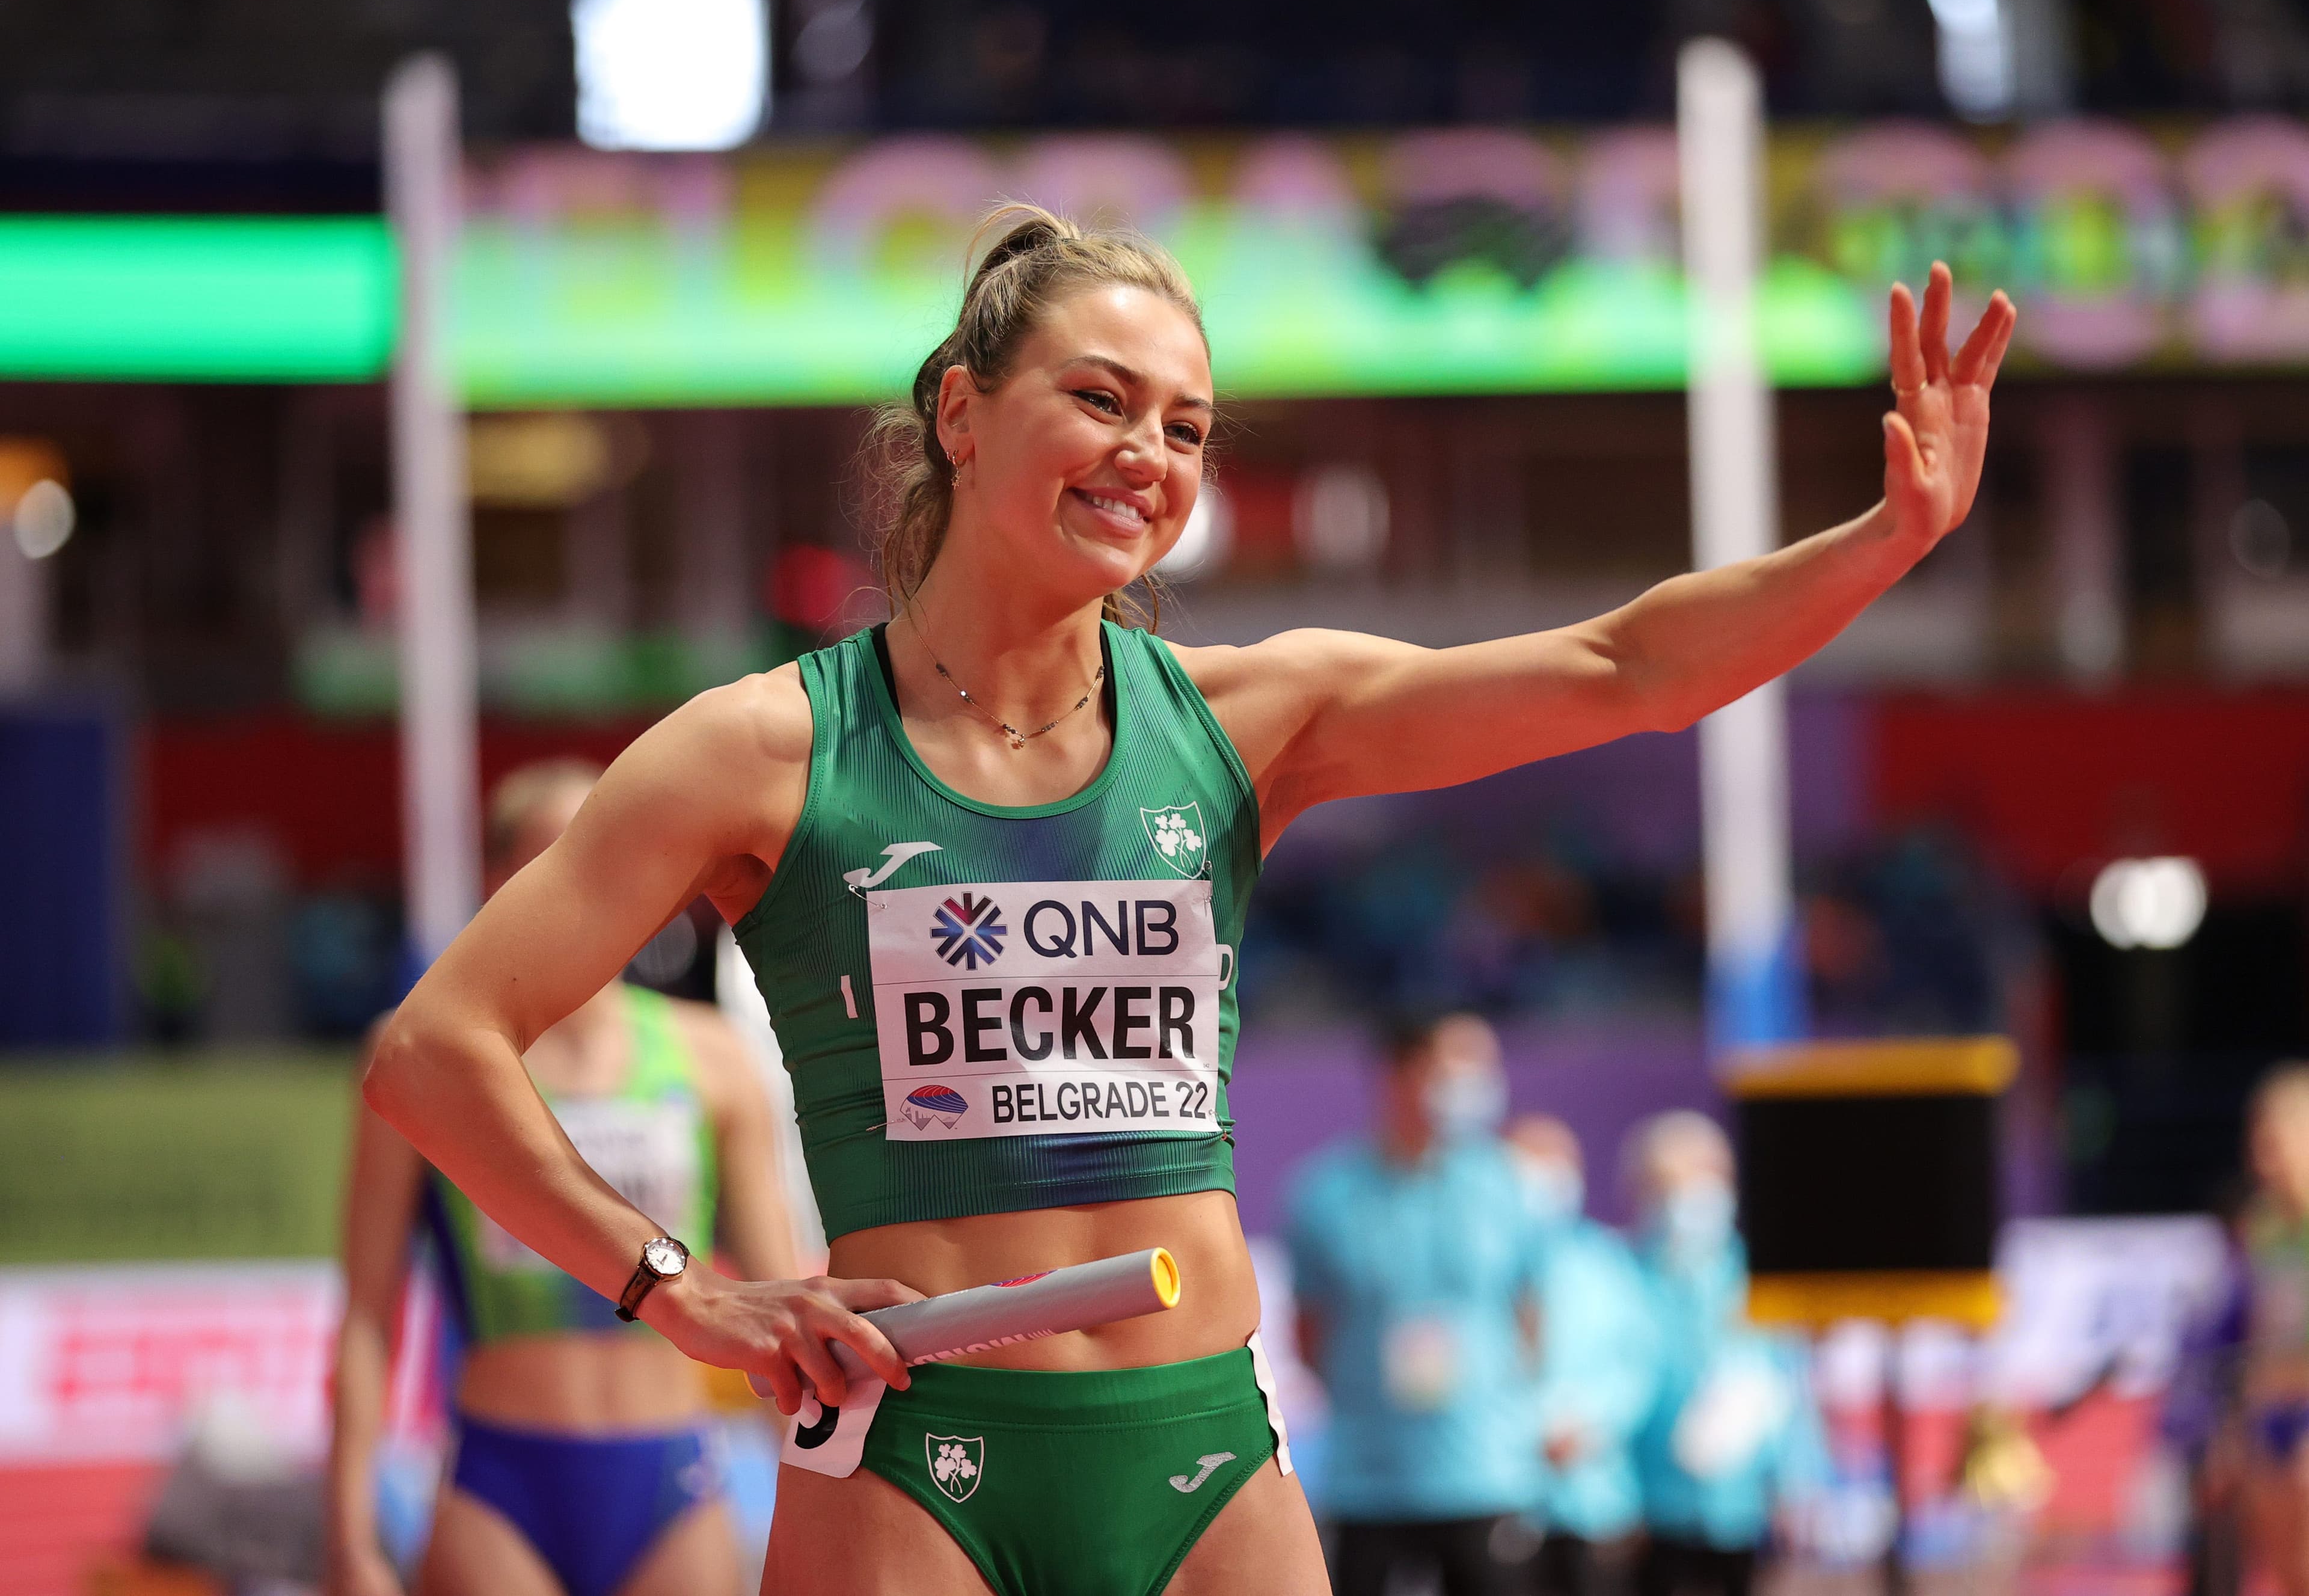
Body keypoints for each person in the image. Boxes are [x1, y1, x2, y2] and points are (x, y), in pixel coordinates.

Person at [358, 200, 2011, 1596]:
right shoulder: (766, 750)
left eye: (1188, 425)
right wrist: (684, 1286)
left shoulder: (1247, 721)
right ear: (959, 410)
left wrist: (1890, 533)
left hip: (1203, 1454)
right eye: (1100, 398)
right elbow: (434, 1049)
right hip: (914, 1470)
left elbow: (1625, 666)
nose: (1148, 452)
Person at [327, 760, 800, 1596]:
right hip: (501, 1480)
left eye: (611, 855)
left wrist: (822, 1504)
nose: (590, 886)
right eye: (555, 859)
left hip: (671, 1475)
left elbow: (776, 1298)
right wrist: (348, 1532)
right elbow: (367, 1315)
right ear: (498, 880)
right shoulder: (422, 1062)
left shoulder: (714, 1060)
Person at [1285, 1014, 1544, 1595]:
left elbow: (1530, 1314)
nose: (1473, 1082)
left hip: (1485, 1472)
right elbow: (1308, 1331)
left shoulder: (1507, 1184)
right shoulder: (1325, 1194)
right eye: (1454, 1065)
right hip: (1369, 1480)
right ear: (1398, 1074)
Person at [1624, 1113, 1824, 1596]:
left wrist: (1796, 1485)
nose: (1690, 1197)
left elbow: (1791, 1385)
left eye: (1703, 1178)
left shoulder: (1754, 1278)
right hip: (1653, 1506)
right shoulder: (1626, 1277)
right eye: (1672, 1183)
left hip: (1741, 1505)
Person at [1508, 1115, 1658, 1596]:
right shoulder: (1482, 1263)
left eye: (1558, 1166)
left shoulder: (1606, 1262)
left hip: (1594, 1499)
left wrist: (1589, 1428)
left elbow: (1637, 1367)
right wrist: (1527, 1430)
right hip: (1505, 1499)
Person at [2237, 1064, 2309, 1595]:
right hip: (2272, 1409)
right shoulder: (2261, 1228)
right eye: (2258, 1145)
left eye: (2274, 1143)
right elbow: (2259, 1326)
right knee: (2283, 1568)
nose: (2263, 1160)